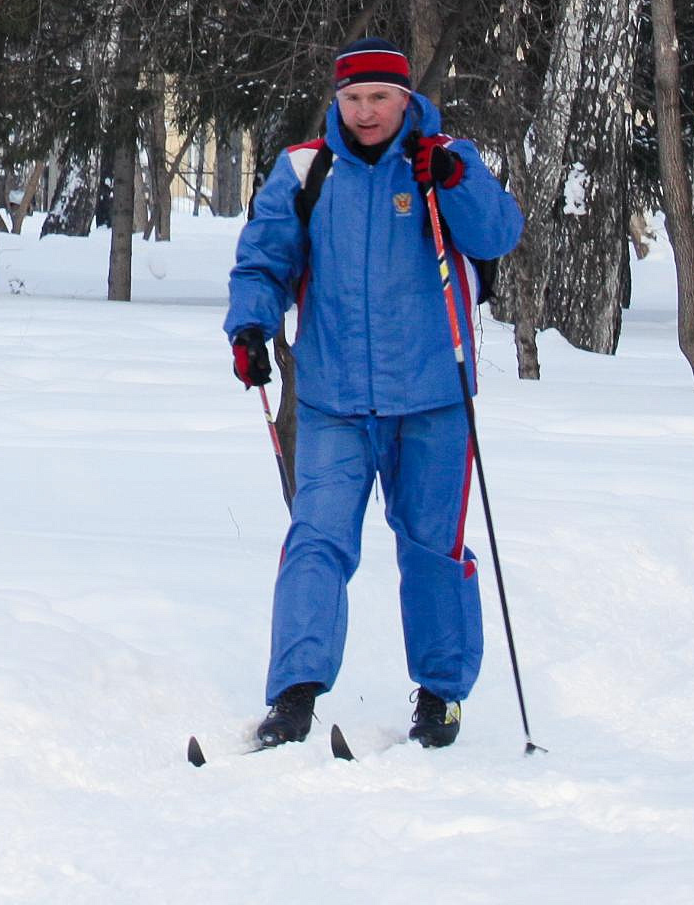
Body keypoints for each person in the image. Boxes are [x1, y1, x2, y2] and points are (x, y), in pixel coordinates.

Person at [223, 41, 524, 750]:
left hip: (432, 397)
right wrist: (250, 327)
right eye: (353, 99)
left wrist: (453, 181)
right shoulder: (305, 168)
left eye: (379, 98)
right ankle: (294, 695)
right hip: (333, 397)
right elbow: (265, 258)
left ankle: (441, 696)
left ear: (404, 98)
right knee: (316, 541)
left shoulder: (444, 158)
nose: (365, 112)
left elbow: (499, 231)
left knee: (431, 549)